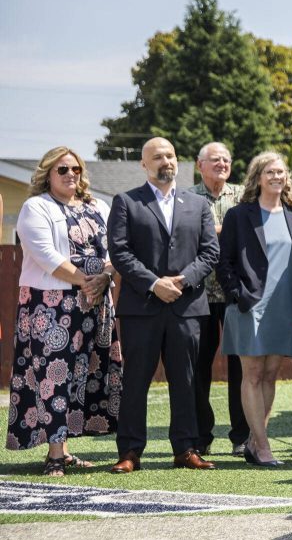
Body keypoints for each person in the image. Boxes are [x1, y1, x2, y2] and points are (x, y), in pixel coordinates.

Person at [7, 147, 122, 476]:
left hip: (96, 303)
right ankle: (55, 454)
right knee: (52, 377)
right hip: (50, 305)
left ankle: (67, 449)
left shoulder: (98, 205)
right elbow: (45, 254)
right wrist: (87, 281)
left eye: (76, 168)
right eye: (62, 169)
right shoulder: (36, 207)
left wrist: (103, 278)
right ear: (47, 174)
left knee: (84, 376)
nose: (71, 174)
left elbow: (116, 248)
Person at [107, 137, 219, 472]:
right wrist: (154, 284)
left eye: (170, 155)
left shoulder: (197, 204)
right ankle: (130, 453)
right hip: (142, 308)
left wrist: (181, 281)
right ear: (144, 164)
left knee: (186, 381)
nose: (165, 161)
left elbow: (210, 252)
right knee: (136, 382)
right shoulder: (127, 201)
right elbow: (120, 252)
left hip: (186, 307)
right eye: (157, 157)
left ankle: (186, 449)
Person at [218, 152, 292, 467]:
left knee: (272, 374)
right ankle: (262, 446)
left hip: (283, 305)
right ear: (258, 177)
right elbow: (225, 262)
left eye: (281, 172)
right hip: (248, 305)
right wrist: (237, 294)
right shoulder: (239, 214)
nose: (277, 176)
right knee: (253, 373)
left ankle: (253, 441)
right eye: (270, 172)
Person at [189, 141, 248, 457]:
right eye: (215, 160)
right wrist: (226, 230)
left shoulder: (243, 195)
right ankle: (200, 436)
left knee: (242, 365)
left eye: (226, 159)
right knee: (198, 368)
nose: (222, 164)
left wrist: (211, 230)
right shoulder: (186, 198)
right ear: (200, 165)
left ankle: (242, 436)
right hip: (197, 294)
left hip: (235, 294)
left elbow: (251, 231)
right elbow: (185, 235)